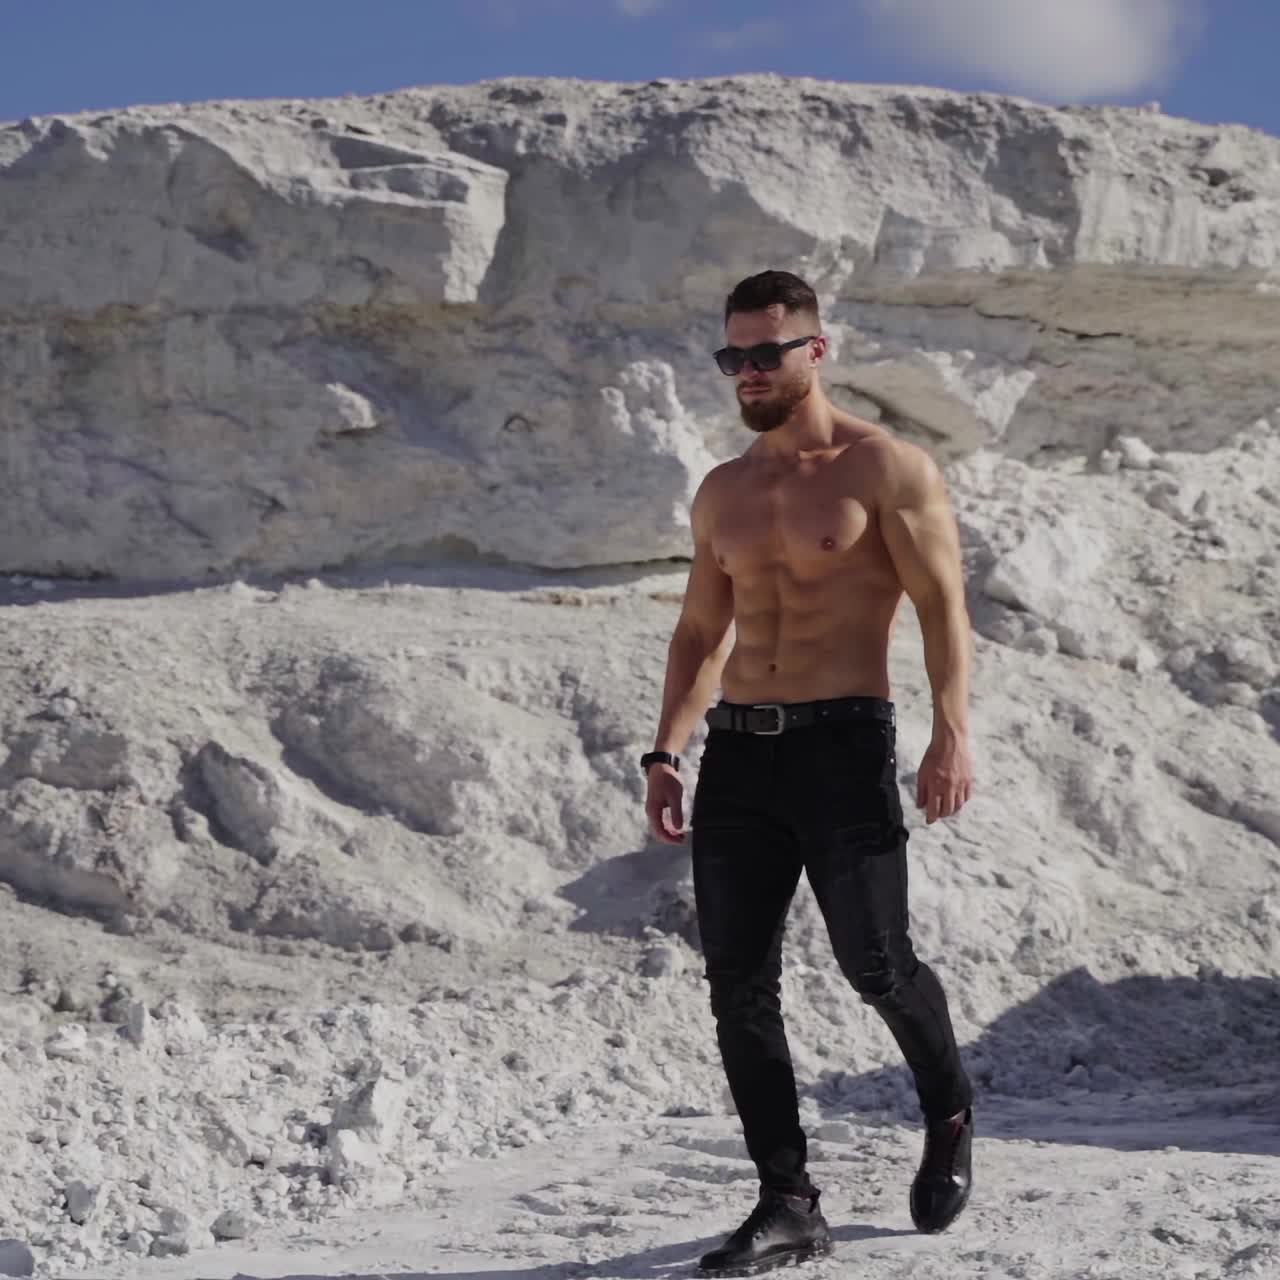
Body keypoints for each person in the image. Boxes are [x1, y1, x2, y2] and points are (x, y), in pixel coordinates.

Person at [640, 270, 975, 1275]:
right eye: (730, 356)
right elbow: (701, 628)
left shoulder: (885, 468)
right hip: (741, 749)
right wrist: (665, 750)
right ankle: (786, 1199)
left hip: (843, 744)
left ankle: (949, 1102)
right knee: (736, 979)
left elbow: (940, 608)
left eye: (764, 353)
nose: (745, 372)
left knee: (873, 959)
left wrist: (949, 730)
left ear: (814, 350)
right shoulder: (723, 489)